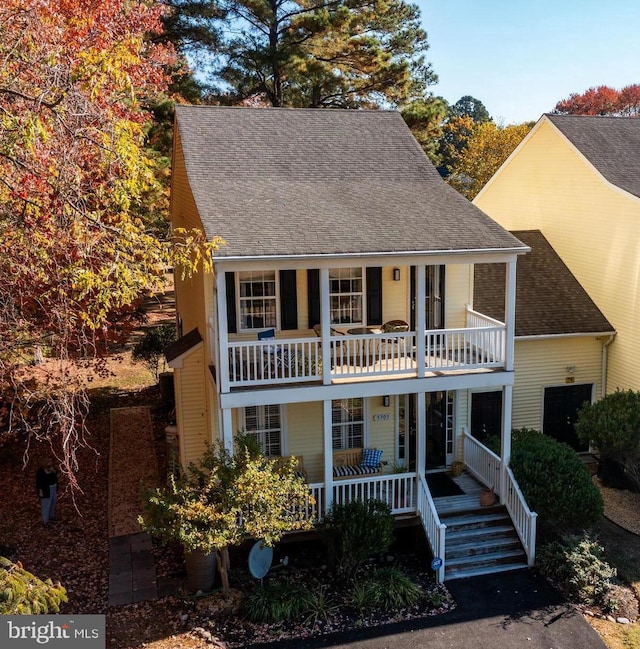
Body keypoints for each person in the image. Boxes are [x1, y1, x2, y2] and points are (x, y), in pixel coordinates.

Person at [36, 459, 59, 527]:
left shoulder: (52, 469)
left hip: (53, 487)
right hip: (45, 489)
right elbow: (39, 482)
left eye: (51, 461)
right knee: (46, 504)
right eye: (48, 461)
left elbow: (56, 474)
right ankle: (45, 521)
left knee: (53, 502)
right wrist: (40, 491)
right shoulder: (40, 471)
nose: (50, 463)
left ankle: (51, 516)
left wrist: (53, 471)